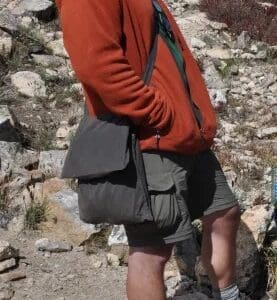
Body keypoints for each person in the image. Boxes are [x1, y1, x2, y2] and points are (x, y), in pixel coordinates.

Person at [56, 0, 241, 299]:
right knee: (151, 250)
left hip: (185, 136)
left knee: (224, 211)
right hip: (150, 139)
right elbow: (98, 68)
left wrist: (196, 114)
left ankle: (228, 295)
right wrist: (159, 113)